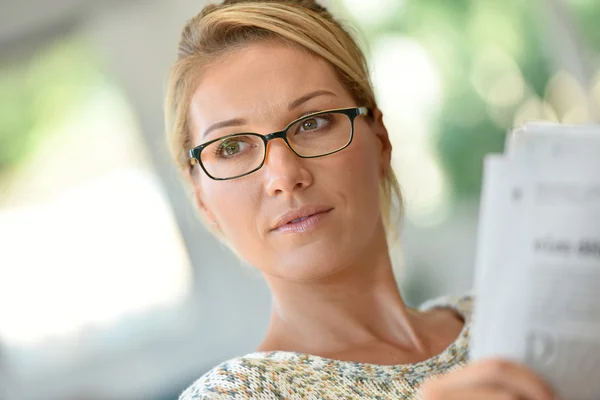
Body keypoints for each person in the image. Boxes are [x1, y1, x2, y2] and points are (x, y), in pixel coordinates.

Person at [165, 1, 555, 398]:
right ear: (202, 200)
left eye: (313, 123)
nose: (285, 176)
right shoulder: (233, 395)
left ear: (380, 141)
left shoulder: (520, 323)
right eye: (231, 147)